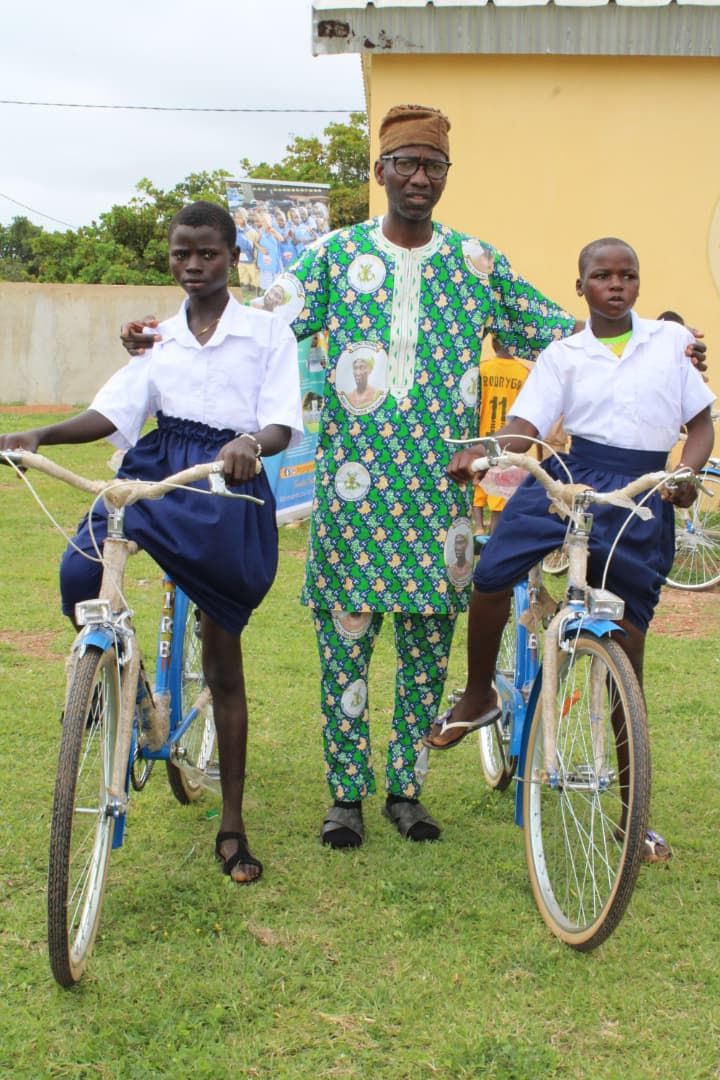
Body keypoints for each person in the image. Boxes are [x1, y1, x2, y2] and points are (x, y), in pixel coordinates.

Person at [119, 108, 707, 854]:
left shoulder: (476, 264)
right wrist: (158, 336)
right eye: (405, 163)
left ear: (444, 175)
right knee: (346, 646)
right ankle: (344, 797)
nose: (419, 177)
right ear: (381, 172)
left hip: (440, 495)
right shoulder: (334, 259)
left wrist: (664, 351)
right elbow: (249, 323)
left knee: (428, 645)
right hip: (350, 496)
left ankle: (406, 789)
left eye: (433, 165)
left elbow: (570, 333)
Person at [1, 201, 304, 884]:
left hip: (226, 482)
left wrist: (250, 442)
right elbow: (115, 410)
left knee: (223, 655)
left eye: (207, 253)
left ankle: (231, 823)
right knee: (80, 571)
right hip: (158, 466)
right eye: (180, 254)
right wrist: (39, 435)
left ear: (232, 257)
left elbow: (283, 422)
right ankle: (116, 689)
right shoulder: (156, 337)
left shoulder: (265, 334)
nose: (193, 266)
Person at [425, 237, 715, 863]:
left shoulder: (670, 344)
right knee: (493, 573)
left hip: (643, 487)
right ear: (580, 286)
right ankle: (479, 692)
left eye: (628, 275)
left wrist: (685, 474)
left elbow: (700, 426)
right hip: (574, 473)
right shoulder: (562, 354)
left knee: (627, 651)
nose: (617, 284)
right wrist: (488, 450)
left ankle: (630, 816)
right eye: (602, 275)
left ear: (639, 283)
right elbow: (526, 427)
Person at [473, 335, 533, 536]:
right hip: (509, 443)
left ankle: (478, 527)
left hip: (480, 439)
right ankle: (493, 537)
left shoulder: (482, 369)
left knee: (477, 488)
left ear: (493, 343)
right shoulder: (525, 374)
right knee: (501, 497)